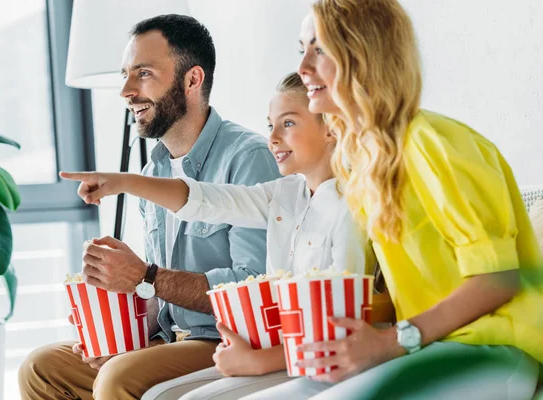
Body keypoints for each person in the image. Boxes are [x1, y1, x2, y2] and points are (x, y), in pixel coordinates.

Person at [243, 1, 543, 399]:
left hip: (493, 350)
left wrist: (391, 341)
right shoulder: (366, 164)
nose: (303, 66)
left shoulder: (431, 142)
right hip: (430, 349)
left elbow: (498, 279)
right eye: (302, 49)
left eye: (319, 49)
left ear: (363, 52)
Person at [61, 71, 381, 400]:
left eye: (287, 124)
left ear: (331, 127)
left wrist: (258, 361)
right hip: (279, 352)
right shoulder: (285, 194)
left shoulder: (351, 208)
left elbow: (343, 333)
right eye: (270, 125)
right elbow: (207, 200)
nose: (271, 138)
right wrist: (124, 183)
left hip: (320, 365)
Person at [18, 14, 280, 400]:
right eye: (125, 75)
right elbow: (160, 297)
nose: (125, 90)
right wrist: (114, 321)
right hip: (169, 338)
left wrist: (146, 274)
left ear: (192, 80)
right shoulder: (153, 167)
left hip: (222, 342)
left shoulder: (246, 157)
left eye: (142, 73)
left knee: (117, 377)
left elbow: (250, 288)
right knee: (40, 369)